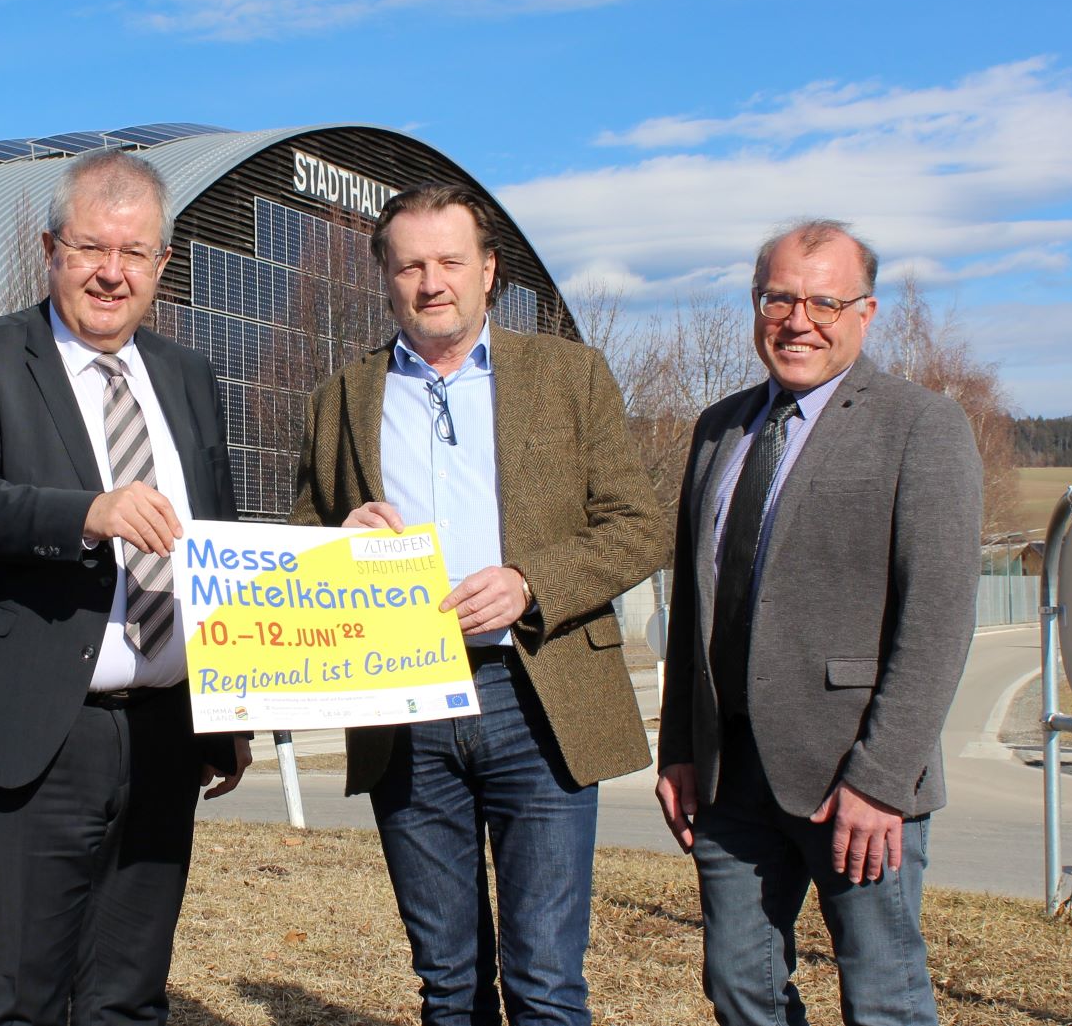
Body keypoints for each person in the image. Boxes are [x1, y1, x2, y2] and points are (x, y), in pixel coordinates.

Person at [290, 182, 664, 1026]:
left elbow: (640, 525)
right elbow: (301, 538)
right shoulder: (342, 396)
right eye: (410, 265)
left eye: (450, 261)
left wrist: (531, 581)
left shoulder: (569, 375)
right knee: (448, 984)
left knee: (545, 983)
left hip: (536, 696)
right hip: (405, 706)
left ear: (488, 270)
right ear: (385, 276)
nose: (432, 282)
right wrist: (338, 541)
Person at [0, 148, 251, 1026]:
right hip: (35, 729)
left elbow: (216, 537)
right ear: (50, 248)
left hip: (167, 730)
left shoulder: (188, 376)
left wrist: (229, 711)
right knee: (25, 998)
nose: (111, 272)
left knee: (130, 994)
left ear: (162, 263)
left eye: (134, 252)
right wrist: (88, 513)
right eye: (92, 247)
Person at [655, 219, 982, 1026]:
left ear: (866, 312)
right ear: (756, 304)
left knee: (882, 998)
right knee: (740, 987)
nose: (798, 321)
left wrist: (882, 778)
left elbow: (937, 618)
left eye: (824, 302)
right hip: (729, 776)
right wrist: (681, 747)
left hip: (854, 776)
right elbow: (693, 603)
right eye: (779, 299)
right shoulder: (718, 428)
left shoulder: (920, 425)